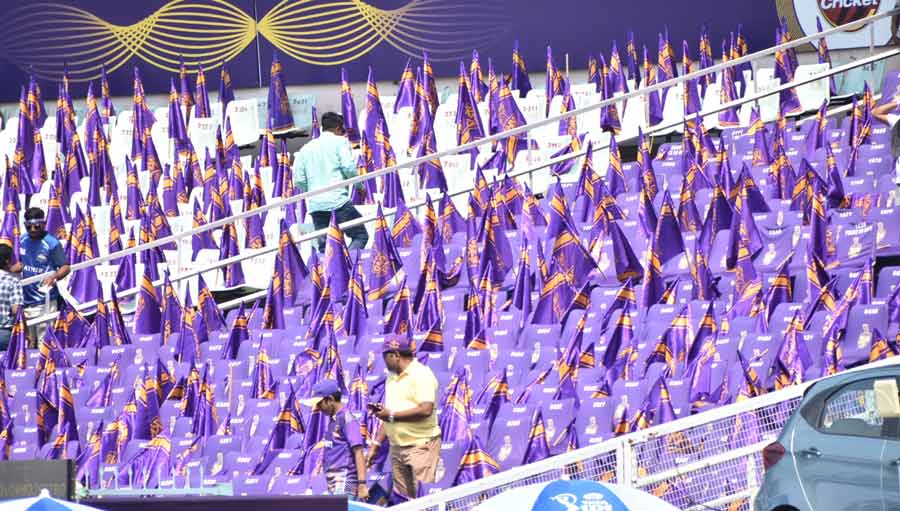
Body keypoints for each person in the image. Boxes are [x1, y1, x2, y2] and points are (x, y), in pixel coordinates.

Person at [366, 335, 441, 500]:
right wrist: (376, 445)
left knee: (422, 501)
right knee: (404, 502)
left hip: (420, 447)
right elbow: (389, 415)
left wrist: (391, 415)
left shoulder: (422, 375)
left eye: (385, 356)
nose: (383, 360)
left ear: (395, 355)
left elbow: (426, 409)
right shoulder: (392, 377)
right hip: (397, 449)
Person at [293, 111, 369, 252]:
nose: (344, 134)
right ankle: (347, 265)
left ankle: (330, 270)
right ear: (338, 129)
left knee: (326, 247)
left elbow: (298, 180)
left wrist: (312, 193)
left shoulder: (305, 149)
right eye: (343, 131)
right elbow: (348, 167)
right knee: (360, 236)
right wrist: (359, 185)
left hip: (317, 205)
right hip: (338, 201)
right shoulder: (340, 142)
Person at [302, 379, 368, 500]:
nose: (318, 407)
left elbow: (358, 451)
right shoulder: (333, 420)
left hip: (346, 483)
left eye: (319, 403)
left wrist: (362, 484)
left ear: (330, 400)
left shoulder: (347, 419)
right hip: (333, 485)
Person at [19, 207, 69, 345]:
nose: (33, 230)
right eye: (29, 227)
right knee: (27, 344)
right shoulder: (21, 240)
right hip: (25, 302)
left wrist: (54, 277)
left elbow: (65, 267)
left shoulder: (52, 243)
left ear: (44, 223)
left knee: (44, 344)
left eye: (37, 226)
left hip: (45, 301)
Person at [0, 244, 23, 351]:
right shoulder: (12, 281)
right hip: (4, 333)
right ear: (7, 261)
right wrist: (26, 330)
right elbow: (16, 310)